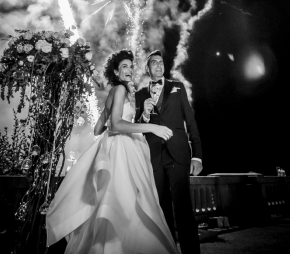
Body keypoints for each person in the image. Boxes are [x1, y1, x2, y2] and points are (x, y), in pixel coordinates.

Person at [46, 49, 179, 254]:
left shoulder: (114, 92)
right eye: (124, 66)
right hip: (123, 151)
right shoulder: (120, 90)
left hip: (114, 148)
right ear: (116, 73)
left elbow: (99, 129)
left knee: (112, 203)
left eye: (131, 66)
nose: (129, 69)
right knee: (129, 203)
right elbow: (116, 125)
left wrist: (138, 116)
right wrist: (152, 127)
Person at [134, 50, 203, 254]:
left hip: (179, 154)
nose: (158, 65)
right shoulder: (140, 95)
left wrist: (197, 155)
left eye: (160, 62)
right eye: (153, 63)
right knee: (161, 210)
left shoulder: (177, 87)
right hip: (154, 157)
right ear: (147, 69)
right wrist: (145, 115)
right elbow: (136, 128)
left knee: (183, 209)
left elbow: (190, 121)